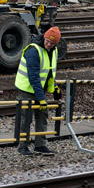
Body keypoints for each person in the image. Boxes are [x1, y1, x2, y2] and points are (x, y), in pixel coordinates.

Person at [14, 26, 60, 156]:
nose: (49, 44)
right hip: (26, 90)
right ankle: (22, 146)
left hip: (39, 89)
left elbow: (49, 74)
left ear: (56, 44)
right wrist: (41, 98)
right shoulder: (33, 51)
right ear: (44, 37)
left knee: (43, 114)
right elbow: (34, 77)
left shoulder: (53, 51)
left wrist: (54, 88)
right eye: (47, 41)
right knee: (26, 118)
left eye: (52, 43)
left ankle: (40, 145)